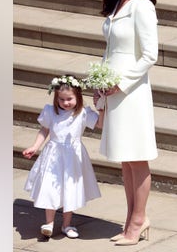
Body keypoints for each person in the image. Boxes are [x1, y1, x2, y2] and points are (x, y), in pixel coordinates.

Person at [94, 0, 158, 246]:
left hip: (131, 92)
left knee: (137, 157)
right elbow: (111, 51)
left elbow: (149, 55)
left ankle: (139, 219)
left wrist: (121, 82)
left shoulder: (141, 7)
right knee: (125, 159)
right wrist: (101, 86)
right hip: (113, 92)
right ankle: (132, 217)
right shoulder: (117, 6)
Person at [22, 75, 104, 239]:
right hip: (53, 155)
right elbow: (44, 130)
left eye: (69, 99)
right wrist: (35, 146)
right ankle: (49, 223)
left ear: (78, 97)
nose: (65, 103)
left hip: (73, 157)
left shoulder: (82, 113)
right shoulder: (51, 112)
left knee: (70, 188)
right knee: (50, 187)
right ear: (56, 98)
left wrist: (101, 107)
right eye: (62, 99)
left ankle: (67, 224)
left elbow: (100, 124)